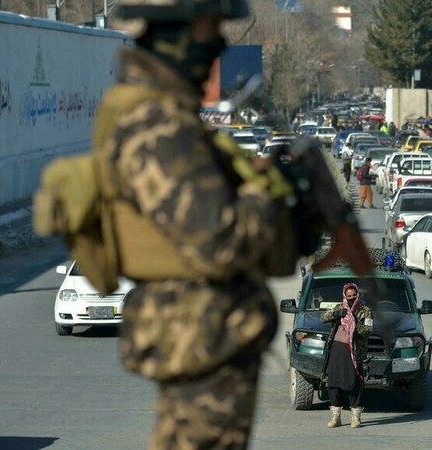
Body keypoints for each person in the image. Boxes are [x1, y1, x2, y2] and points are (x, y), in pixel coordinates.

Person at [99, 1, 371, 448]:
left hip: (210, 336)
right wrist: (269, 190)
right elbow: (216, 239)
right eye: (210, 31)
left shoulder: (169, 117)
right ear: (174, 35)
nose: (220, 44)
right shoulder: (157, 125)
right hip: (198, 339)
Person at [321, 283, 373, 429]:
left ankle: (356, 417)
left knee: (354, 383)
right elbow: (323, 317)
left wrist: (354, 324)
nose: (351, 298)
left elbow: (368, 330)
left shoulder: (365, 311)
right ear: (344, 296)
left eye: (354, 296)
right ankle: (336, 416)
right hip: (337, 348)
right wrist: (336, 314)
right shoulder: (340, 307)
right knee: (334, 383)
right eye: (348, 296)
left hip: (354, 351)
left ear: (358, 295)